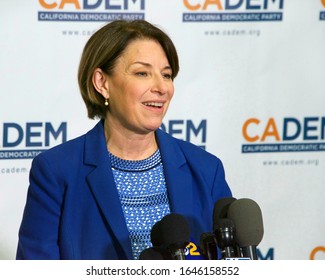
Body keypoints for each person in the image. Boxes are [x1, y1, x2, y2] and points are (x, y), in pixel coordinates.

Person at [16, 19, 232, 260]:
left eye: (167, 75)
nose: (162, 87)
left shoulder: (206, 169)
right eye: (142, 73)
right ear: (102, 83)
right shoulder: (56, 171)